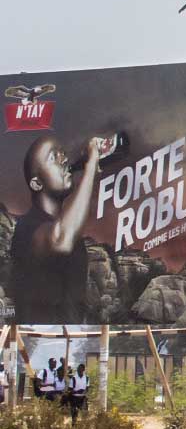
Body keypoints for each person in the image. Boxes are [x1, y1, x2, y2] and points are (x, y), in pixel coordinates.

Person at [9, 134, 114, 324]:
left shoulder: (72, 233)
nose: (63, 159)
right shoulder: (27, 228)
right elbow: (61, 241)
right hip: (38, 347)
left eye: (62, 154)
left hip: (70, 347)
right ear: (36, 183)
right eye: (53, 157)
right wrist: (90, 166)